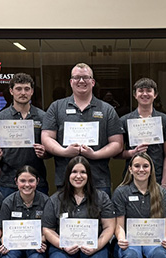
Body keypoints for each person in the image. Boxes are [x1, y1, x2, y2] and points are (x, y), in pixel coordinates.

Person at [42, 156, 116, 258]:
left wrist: (97, 245)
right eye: (74, 172)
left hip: (94, 245)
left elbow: (109, 226)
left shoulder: (101, 197)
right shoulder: (55, 199)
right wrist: (62, 245)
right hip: (63, 246)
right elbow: (48, 229)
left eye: (83, 172)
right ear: (68, 175)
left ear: (89, 175)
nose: (78, 176)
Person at [41, 63, 124, 195]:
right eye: (77, 77)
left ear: (92, 82)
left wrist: (95, 155)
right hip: (65, 179)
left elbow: (117, 143)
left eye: (85, 77)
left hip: (98, 180)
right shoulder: (56, 107)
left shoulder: (107, 109)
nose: (81, 81)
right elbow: (46, 137)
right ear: (71, 82)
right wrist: (64, 152)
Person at [0, 73, 50, 198]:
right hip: (8, 181)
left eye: (27, 89)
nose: (23, 93)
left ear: (32, 91)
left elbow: (49, 151)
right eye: (18, 89)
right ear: (11, 91)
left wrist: (45, 153)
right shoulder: (0, 118)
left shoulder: (43, 117)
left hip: (37, 180)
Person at [118, 78, 166, 192]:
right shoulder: (124, 120)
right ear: (135, 95)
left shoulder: (164, 120)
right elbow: (117, 154)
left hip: (157, 176)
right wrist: (132, 152)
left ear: (155, 95)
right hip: (132, 177)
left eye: (149, 91)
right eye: (141, 91)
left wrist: (164, 183)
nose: (145, 94)